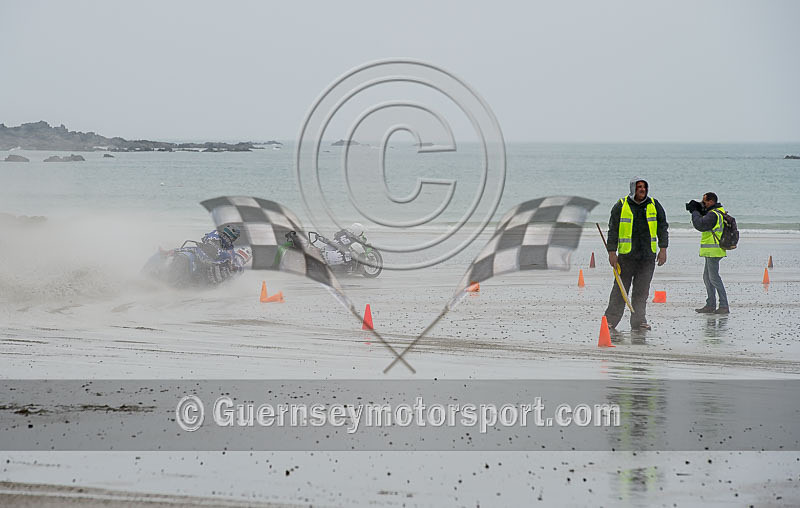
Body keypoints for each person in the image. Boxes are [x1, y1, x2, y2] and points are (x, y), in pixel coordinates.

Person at [604, 177, 669, 332]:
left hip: (647, 257)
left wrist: (663, 249)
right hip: (626, 257)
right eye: (639, 187)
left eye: (644, 187)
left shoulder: (654, 204)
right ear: (633, 188)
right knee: (620, 290)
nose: (642, 189)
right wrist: (611, 252)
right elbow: (612, 230)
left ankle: (639, 322)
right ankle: (610, 321)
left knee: (642, 291)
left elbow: (662, 228)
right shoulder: (621, 205)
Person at [688, 192, 729, 314]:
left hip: (714, 250)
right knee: (707, 277)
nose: (703, 203)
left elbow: (700, 224)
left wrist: (695, 211)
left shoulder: (713, 214)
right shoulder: (717, 212)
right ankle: (710, 304)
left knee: (714, 278)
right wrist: (699, 210)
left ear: (711, 202)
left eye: (704, 201)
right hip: (712, 250)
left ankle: (724, 305)